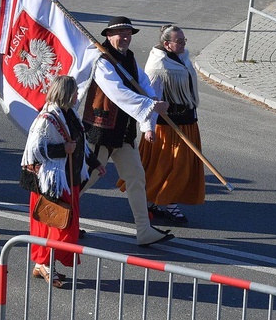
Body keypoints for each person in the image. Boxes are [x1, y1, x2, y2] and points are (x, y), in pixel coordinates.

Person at [80, 16, 174, 247]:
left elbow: (146, 88)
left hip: (123, 132)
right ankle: (60, 216)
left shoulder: (129, 59)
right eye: (120, 33)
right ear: (108, 36)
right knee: (87, 179)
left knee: (136, 178)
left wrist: (148, 122)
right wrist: (151, 106)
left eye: (128, 33)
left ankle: (144, 230)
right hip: (101, 131)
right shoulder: (101, 60)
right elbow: (117, 92)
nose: (125, 38)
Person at [21, 76, 106, 287]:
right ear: (66, 93)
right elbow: (35, 150)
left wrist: (94, 164)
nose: (78, 95)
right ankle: (45, 264)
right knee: (55, 227)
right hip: (52, 183)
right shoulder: (46, 119)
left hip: (68, 180)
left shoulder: (70, 115)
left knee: (63, 226)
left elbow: (81, 145)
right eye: (75, 92)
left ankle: (43, 263)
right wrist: (63, 150)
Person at [136, 24, 205, 224]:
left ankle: (151, 203)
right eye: (179, 40)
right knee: (172, 165)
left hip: (188, 120)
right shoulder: (157, 68)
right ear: (167, 44)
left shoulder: (183, 58)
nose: (184, 43)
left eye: (184, 39)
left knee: (178, 165)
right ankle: (169, 203)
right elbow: (150, 99)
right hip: (167, 125)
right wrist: (148, 128)